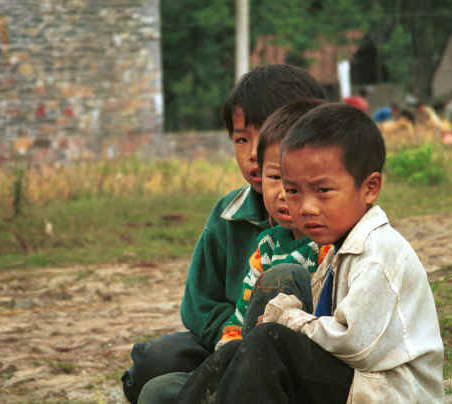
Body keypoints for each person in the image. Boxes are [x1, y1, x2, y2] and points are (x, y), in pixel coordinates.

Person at [191, 103, 445, 403]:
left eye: (323, 191)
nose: (306, 207)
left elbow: (355, 344)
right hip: (356, 384)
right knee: (241, 350)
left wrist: (291, 320)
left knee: (268, 342)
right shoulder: (340, 248)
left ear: (370, 188)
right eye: (294, 191)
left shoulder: (378, 253)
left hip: (388, 393)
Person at [121, 64, 326, 404]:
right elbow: (198, 302)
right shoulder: (227, 214)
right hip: (228, 339)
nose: (252, 155)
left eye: (267, 137)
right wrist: (232, 337)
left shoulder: (330, 214)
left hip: (298, 345)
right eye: (241, 139)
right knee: (155, 361)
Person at [215, 98, 332, 350]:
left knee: (284, 276)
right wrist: (228, 351)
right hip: (256, 360)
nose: (283, 193)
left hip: (306, 359)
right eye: (275, 177)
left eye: (295, 181)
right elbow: (241, 318)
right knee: (161, 388)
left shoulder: (330, 247)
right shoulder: (267, 246)